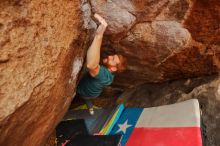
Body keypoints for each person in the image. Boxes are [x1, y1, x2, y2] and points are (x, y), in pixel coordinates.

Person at [76, 13, 127, 115]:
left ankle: (90, 108)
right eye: (113, 55)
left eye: (112, 59)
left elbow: (91, 65)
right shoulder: (109, 76)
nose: (109, 56)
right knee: (88, 100)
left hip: (84, 92)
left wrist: (99, 35)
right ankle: (90, 109)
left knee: (84, 98)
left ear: (113, 69)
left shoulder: (104, 75)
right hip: (94, 94)